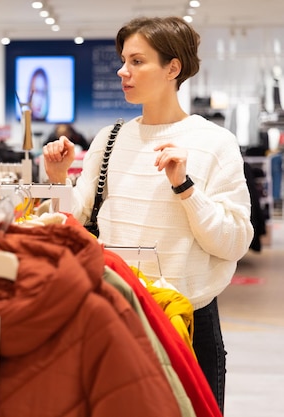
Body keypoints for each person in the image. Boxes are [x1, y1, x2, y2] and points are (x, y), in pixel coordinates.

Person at [42, 16, 253, 414]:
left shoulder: (215, 143)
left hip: (187, 322)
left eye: (137, 61)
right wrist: (56, 180)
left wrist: (185, 187)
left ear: (173, 68)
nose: (123, 71)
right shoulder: (110, 139)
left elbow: (234, 241)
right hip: (115, 312)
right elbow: (75, 222)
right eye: (123, 61)